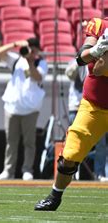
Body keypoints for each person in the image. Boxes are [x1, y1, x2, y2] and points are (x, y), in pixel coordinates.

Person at [35, 17, 108, 211]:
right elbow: (81, 58)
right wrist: (97, 50)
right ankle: (55, 196)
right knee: (70, 154)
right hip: (95, 106)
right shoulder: (100, 25)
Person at [0, 38, 48, 181]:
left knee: (29, 142)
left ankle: (27, 170)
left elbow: (37, 77)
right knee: (11, 141)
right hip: (12, 107)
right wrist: (15, 44)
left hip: (31, 108)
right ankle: (8, 170)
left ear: (37, 49)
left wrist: (31, 61)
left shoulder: (41, 63)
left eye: (33, 48)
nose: (30, 51)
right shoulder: (17, 60)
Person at [65, 59, 107, 181]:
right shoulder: (79, 58)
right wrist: (81, 60)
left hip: (95, 107)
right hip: (76, 105)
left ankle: (99, 173)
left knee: (101, 144)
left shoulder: (101, 60)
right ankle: (70, 173)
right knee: (73, 141)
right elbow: (69, 74)